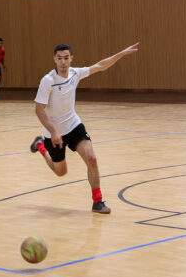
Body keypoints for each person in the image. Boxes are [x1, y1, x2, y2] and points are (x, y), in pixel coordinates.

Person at [30, 42, 139, 214]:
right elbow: (38, 110)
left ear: (71, 58)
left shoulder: (75, 73)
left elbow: (101, 65)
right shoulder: (48, 81)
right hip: (54, 132)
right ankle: (41, 146)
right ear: (54, 59)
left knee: (92, 159)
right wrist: (53, 132)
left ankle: (97, 202)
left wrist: (122, 53)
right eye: (59, 58)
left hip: (73, 125)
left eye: (66, 58)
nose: (63, 62)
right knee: (61, 172)